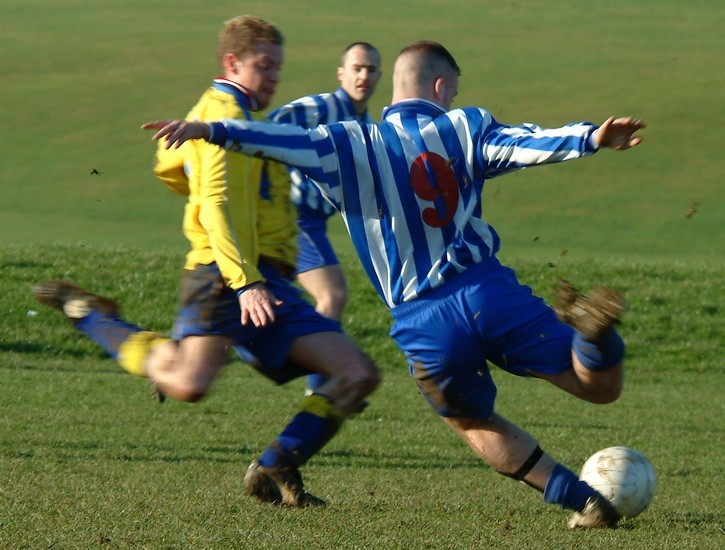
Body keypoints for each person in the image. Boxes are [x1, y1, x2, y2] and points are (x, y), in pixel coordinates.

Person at [143, 40, 645, 528]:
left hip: (423, 321)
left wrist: (209, 129)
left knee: (471, 420)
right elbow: (526, 145)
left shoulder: (347, 141)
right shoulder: (465, 125)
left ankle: (584, 501)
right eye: (452, 90)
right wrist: (592, 138)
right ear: (441, 86)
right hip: (487, 292)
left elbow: (277, 141)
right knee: (597, 385)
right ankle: (592, 336)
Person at [32, 15, 380, 508]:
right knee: (188, 384)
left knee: (357, 373)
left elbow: (168, 164)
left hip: (266, 280)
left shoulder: (238, 116)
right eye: (264, 65)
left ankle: (277, 463)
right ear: (232, 62)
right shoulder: (220, 113)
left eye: (279, 67)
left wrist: (251, 266)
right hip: (225, 278)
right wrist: (244, 282)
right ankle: (93, 316)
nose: (274, 77)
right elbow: (215, 203)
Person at [268, 42, 382, 393]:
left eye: (371, 69)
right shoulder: (318, 107)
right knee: (332, 296)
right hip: (291, 217)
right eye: (357, 68)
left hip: (313, 222)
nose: (364, 75)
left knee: (261, 302)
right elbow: (262, 130)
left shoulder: (367, 126)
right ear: (341, 73)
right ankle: (318, 390)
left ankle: (179, 358)